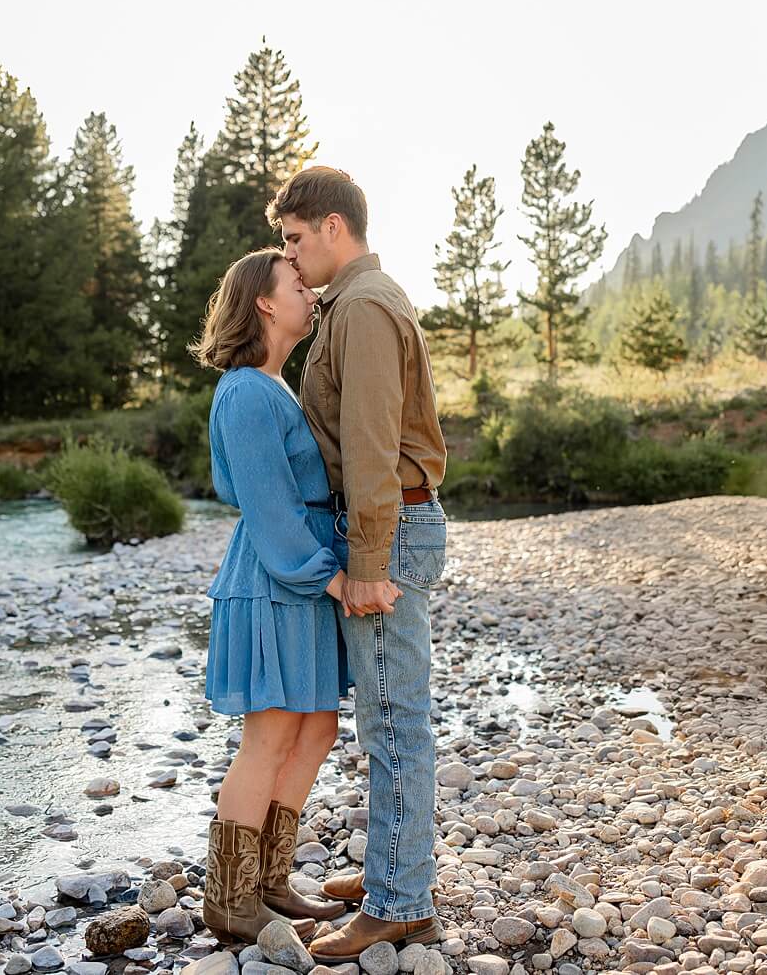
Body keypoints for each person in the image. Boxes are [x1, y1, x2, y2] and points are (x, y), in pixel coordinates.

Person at [268, 167, 449, 961]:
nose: (290, 255)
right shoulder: (355, 305)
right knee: (385, 716)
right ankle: (392, 876)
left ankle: (401, 901)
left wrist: (367, 559)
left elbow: (372, 442)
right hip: (385, 527)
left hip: (389, 531)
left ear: (333, 228)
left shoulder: (366, 309)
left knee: (392, 719)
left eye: (294, 239)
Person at [191, 248, 371, 944]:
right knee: (267, 734)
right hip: (275, 578)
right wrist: (329, 576)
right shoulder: (243, 390)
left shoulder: (273, 386)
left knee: (316, 727)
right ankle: (228, 898)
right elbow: (266, 506)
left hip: (297, 577)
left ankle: (268, 880)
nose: (311, 292)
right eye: (297, 284)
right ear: (264, 303)